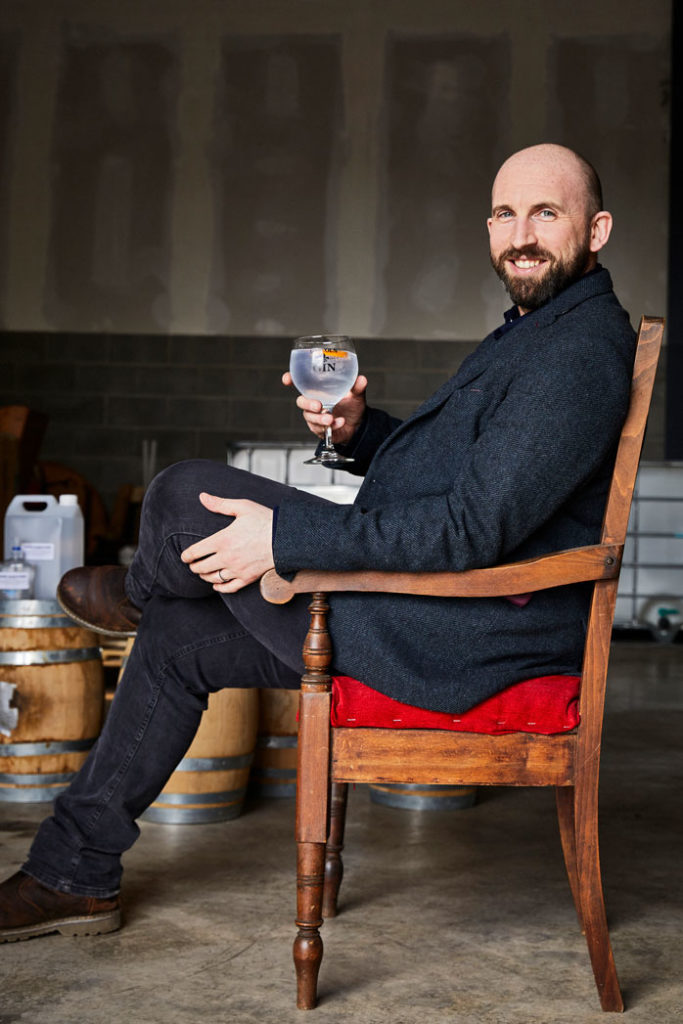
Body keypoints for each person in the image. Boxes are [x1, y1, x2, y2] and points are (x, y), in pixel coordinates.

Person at [0, 143, 636, 942]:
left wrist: (288, 540)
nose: (521, 234)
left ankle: (139, 591)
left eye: (546, 212)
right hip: (428, 611)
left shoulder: (576, 354)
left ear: (596, 228)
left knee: (181, 494)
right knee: (176, 637)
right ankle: (73, 872)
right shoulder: (539, 327)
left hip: (462, 635)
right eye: (505, 214)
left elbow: (474, 529)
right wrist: (356, 431)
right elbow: (466, 484)